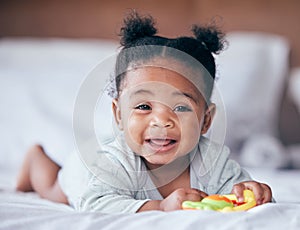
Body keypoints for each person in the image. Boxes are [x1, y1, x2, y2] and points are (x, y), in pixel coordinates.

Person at [16, 12, 272, 213]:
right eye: (143, 106)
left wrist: (251, 191)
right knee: (52, 188)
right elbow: (95, 204)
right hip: (88, 170)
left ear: (205, 120)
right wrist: (160, 207)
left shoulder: (214, 161)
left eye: (181, 107)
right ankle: (35, 157)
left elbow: (236, 192)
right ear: (118, 114)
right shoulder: (111, 163)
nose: (161, 121)